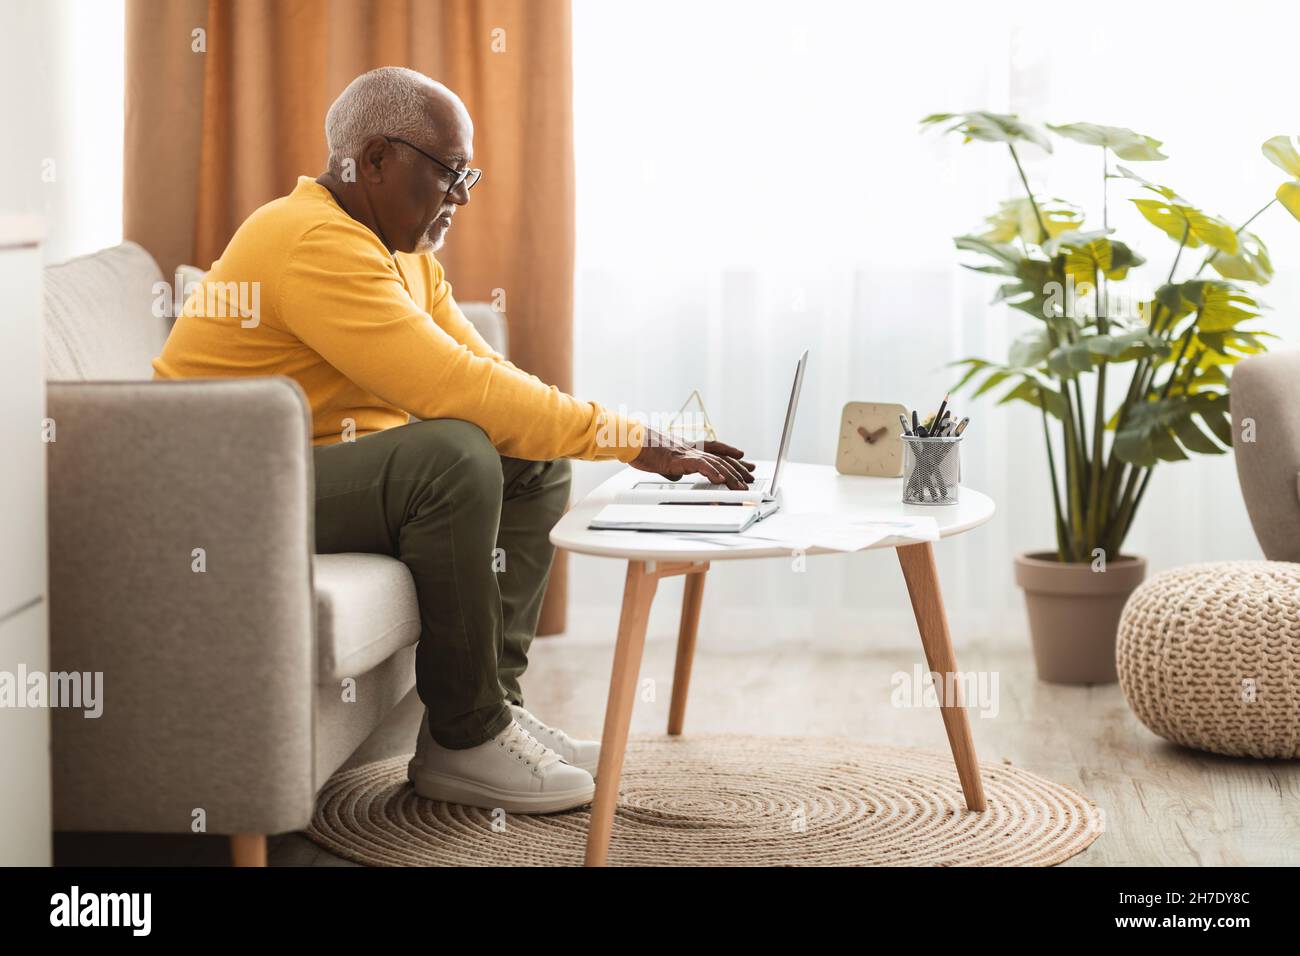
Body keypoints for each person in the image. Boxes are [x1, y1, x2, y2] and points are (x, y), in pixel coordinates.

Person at [153, 66, 754, 814]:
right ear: (374, 160)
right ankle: (468, 737)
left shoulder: (403, 254)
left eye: (470, 173)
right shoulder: (309, 239)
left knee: (527, 454)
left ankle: (485, 713)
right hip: (221, 491)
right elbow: (458, 392)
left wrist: (623, 433)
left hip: (301, 472)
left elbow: (488, 376)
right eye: (450, 172)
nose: (464, 195)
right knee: (452, 455)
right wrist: (638, 443)